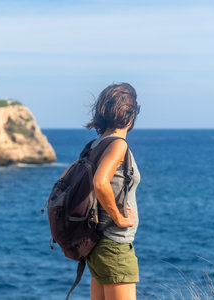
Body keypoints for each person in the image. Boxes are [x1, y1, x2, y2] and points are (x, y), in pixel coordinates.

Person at [85, 82, 141, 300]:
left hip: (97, 243)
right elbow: (100, 183)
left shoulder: (94, 145)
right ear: (130, 113)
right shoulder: (118, 145)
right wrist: (118, 217)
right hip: (114, 244)